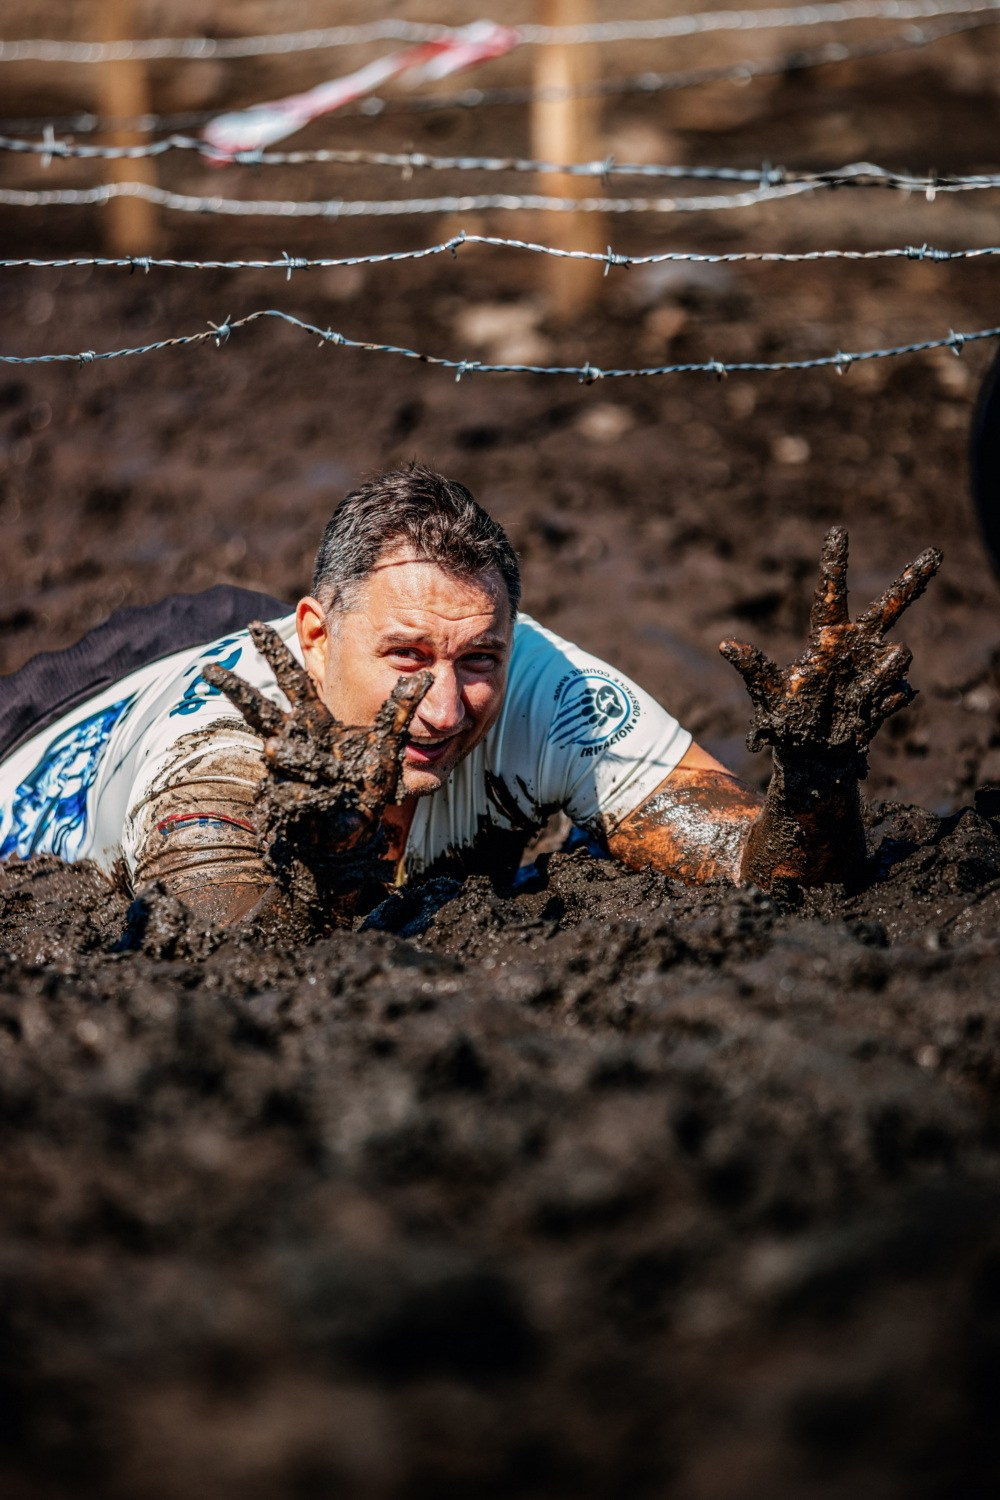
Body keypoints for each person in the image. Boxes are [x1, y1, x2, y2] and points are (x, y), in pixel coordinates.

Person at [0, 464, 940, 932]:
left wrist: (815, 783)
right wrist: (333, 876)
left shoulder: (542, 681)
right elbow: (224, 956)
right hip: (55, 721)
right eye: (409, 657)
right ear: (315, 639)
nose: (446, 709)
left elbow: (763, 871)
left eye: (478, 659)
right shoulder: (218, 738)